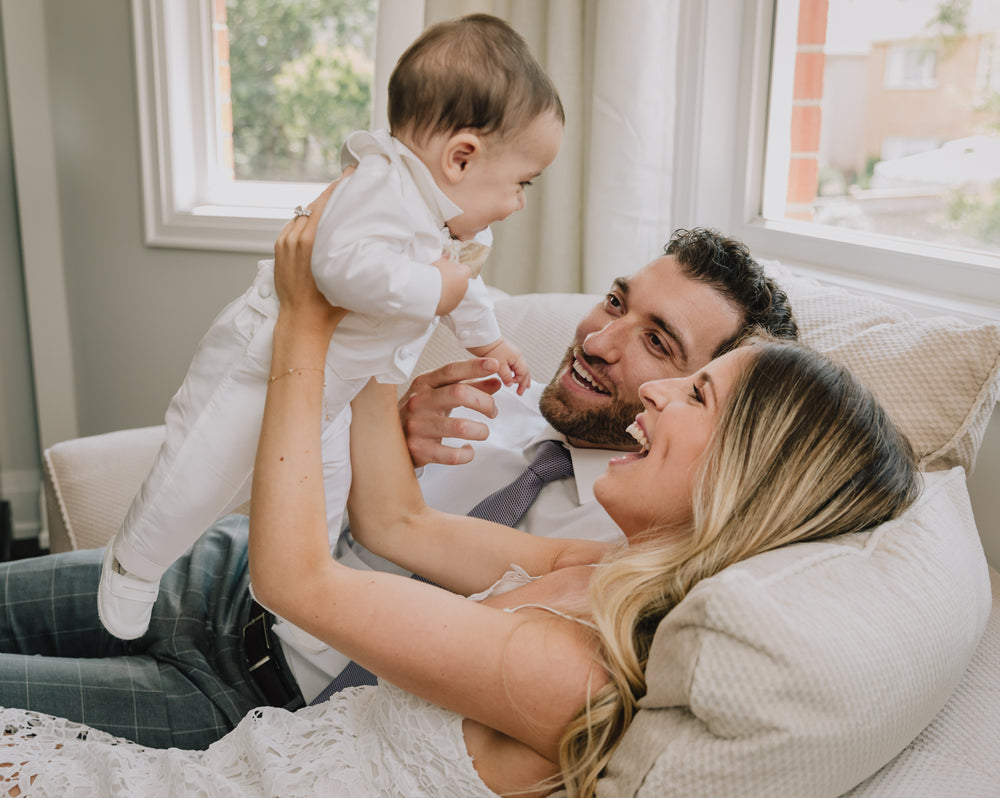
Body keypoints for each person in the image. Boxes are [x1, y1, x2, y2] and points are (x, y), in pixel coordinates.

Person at [0, 185, 919, 798]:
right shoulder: (593, 550)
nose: (606, 347)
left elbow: (307, 582)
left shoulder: (588, 649)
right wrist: (380, 349)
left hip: (252, 704)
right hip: (222, 578)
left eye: (678, 367)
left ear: (742, 469)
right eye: (614, 301)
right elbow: (390, 519)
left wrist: (306, 331)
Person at [97, 13, 563, 641]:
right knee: (200, 470)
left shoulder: (435, 220)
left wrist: (491, 339)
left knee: (324, 494)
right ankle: (134, 566)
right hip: (261, 362)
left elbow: (463, 287)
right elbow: (338, 269)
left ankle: (299, 594)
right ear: (461, 157)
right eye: (520, 184)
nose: (519, 203)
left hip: (332, 391)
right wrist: (438, 288)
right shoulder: (380, 189)